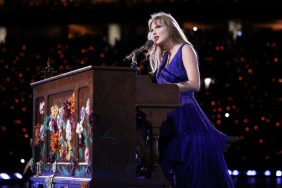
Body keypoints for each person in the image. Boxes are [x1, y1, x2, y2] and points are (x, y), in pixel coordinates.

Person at [136, 12, 235, 188]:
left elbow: (194, 84)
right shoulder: (164, 56)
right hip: (165, 114)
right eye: (151, 30)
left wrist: (165, 89)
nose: (153, 33)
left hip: (185, 111)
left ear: (171, 27)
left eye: (158, 27)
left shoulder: (185, 48)